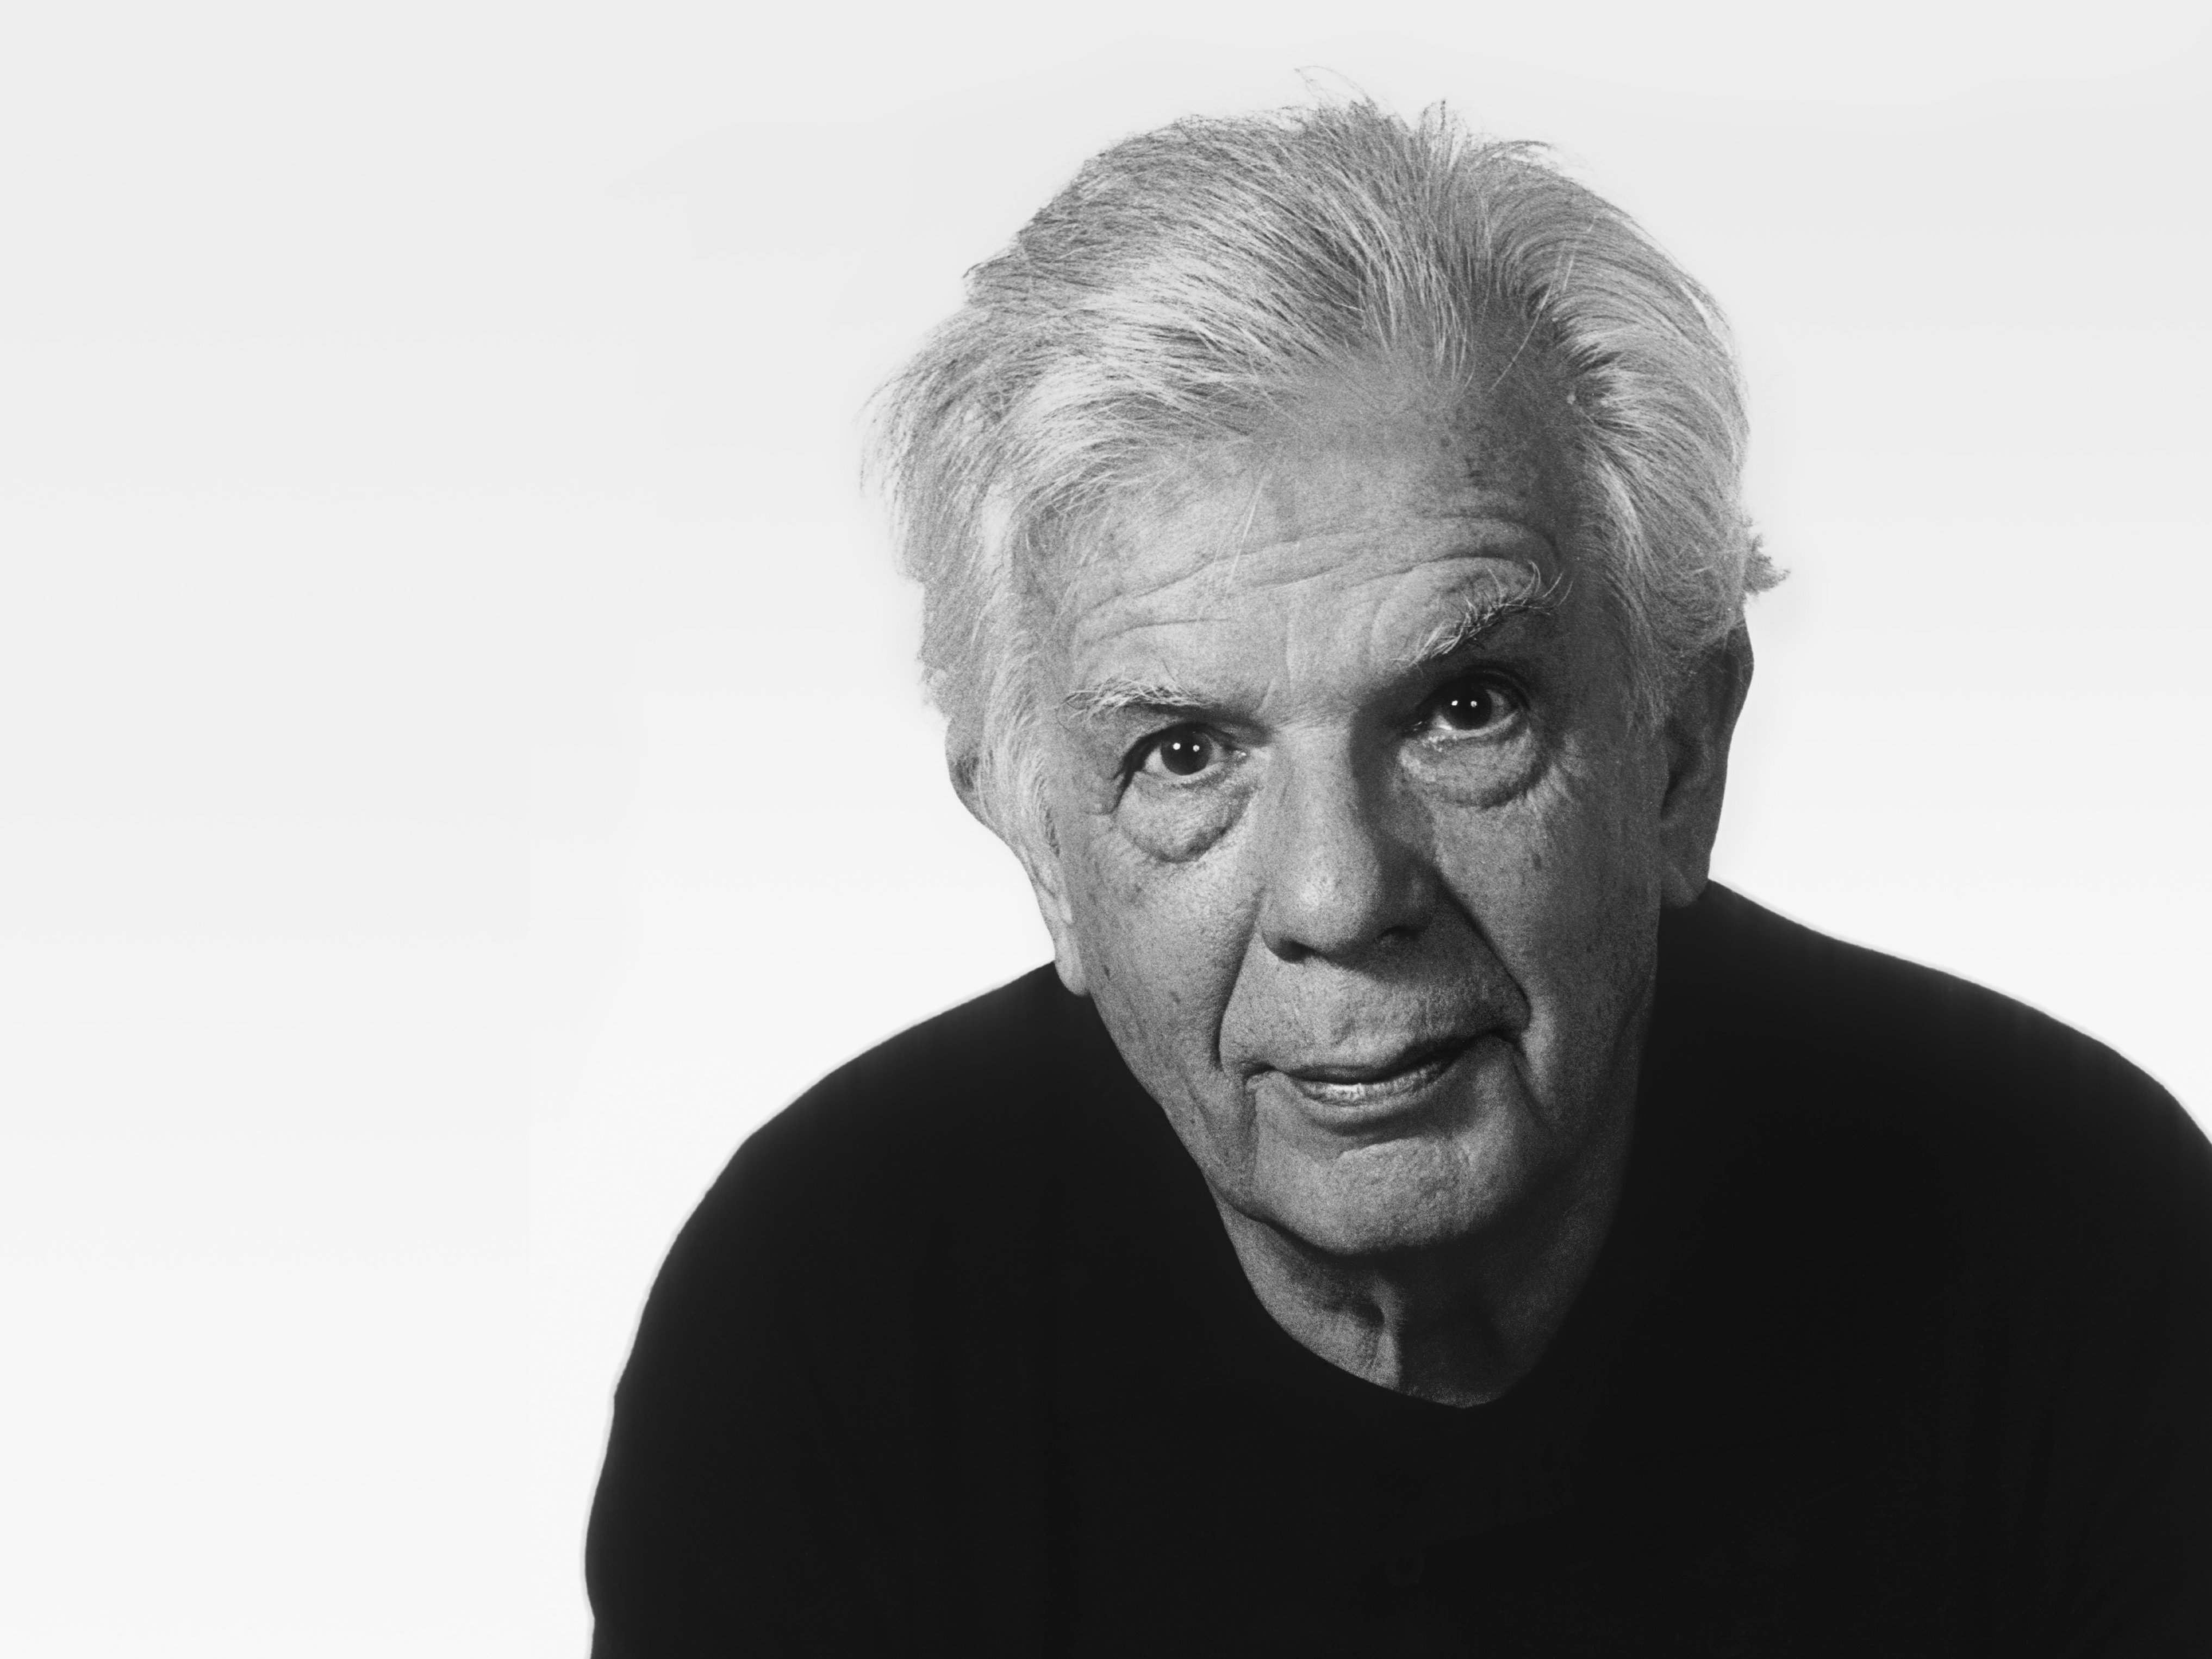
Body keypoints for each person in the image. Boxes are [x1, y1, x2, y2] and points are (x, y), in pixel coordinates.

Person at [585, 102, 2212, 1654]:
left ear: (1679, 751)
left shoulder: (2090, 1254)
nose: (1338, 895)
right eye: (1187, 754)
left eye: (1463, 706)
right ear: (1042, 852)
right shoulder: (819, 1327)